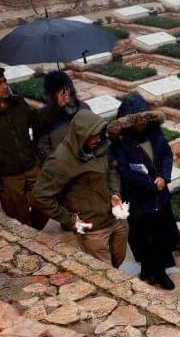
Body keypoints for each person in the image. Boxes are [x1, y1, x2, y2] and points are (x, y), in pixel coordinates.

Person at [0, 67, 68, 229]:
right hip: (7, 174)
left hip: (31, 167)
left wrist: (55, 105)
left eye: (4, 81)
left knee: (47, 202)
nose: (5, 85)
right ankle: (31, 240)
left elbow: (36, 119)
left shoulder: (17, 103)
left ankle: (34, 232)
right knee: (19, 215)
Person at [33, 111, 128, 267]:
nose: (98, 139)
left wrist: (115, 193)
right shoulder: (60, 161)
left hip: (117, 219)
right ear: (80, 134)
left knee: (118, 260)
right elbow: (40, 196)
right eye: (93, 135)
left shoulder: (102, 146)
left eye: (100, 134)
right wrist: (70, 220)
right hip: (92, 229)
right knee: (105, 272)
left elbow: (112, 169)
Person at [107, 94, 180, 290]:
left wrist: (164, 177)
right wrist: (151, 184)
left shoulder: (155, 133)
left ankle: (161, 273)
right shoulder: (121, 144)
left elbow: (166, 154)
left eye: (143, 121)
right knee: (142, 238)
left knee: (160, 237)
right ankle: (148, 271)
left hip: (159, 197)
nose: (141, 126)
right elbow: (124, 171)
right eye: (136, 122)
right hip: (138, 199)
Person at [34, 70, 84, 161]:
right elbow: (41, 148)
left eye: (67, 89)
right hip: (60, 167)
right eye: (59, 91)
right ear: (50, 94)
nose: (64, 94)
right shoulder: (43, 117)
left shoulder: (83, 108)